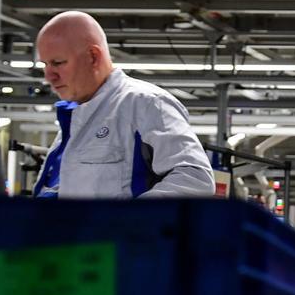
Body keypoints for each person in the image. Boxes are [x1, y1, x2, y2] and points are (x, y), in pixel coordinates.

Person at [32, 11, 214, 198]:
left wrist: (126, 221)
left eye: (58, 63)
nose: (49, 76)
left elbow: (195, 180)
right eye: (45, 64)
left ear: (93, 56)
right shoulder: (76, 118)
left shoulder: (146, 104)